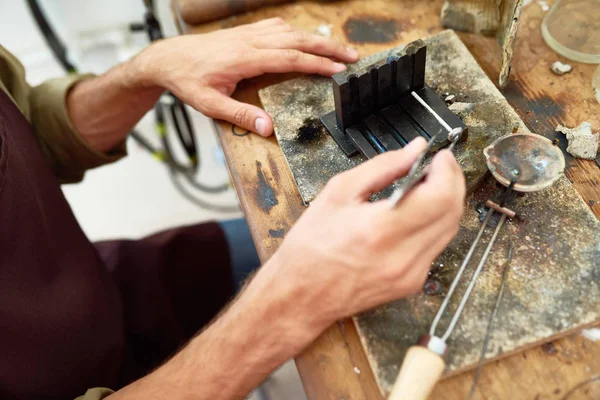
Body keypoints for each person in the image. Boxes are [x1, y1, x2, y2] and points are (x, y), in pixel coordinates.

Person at [0, 18, 465, 400]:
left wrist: (143, 70)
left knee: (274, 240)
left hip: (106, 292)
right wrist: (286, 306)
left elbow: (28, 129)